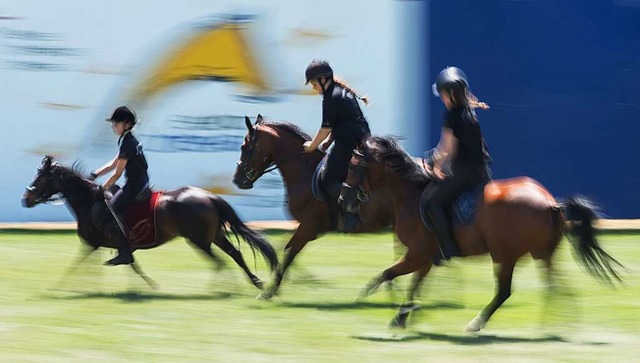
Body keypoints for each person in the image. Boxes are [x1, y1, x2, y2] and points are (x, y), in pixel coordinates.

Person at [421, 66, 491, 263]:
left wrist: (432, 163)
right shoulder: (467, 110)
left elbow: (447, 149)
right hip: (481, 170)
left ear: (452, 94)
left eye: (443, 93)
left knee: (430, 202)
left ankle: (447, 248)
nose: (441, 97)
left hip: (465, 171)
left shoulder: (452, 116)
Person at [302, 60, 371, 232]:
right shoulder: (338, 92)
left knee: (328, 179)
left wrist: (312, 145)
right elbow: (338, 123)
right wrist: (327, 142)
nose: (313, 88)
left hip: (349, 143)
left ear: (323, 80)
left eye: (313, 83)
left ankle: (350, 215)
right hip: (357, 140)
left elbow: (325, 128)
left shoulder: (330, 97)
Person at [89, 105, 149, 265]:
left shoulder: (128, 143)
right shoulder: (126, 140)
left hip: (135, 184)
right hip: (138, 181)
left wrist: (103, 188)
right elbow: (112, 164)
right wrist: (94, 174)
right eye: (113, 123)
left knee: (111, 209)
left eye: (116, 123)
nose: (113, 126)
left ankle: (124, 253)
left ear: (127, 125)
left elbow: (117, 173)